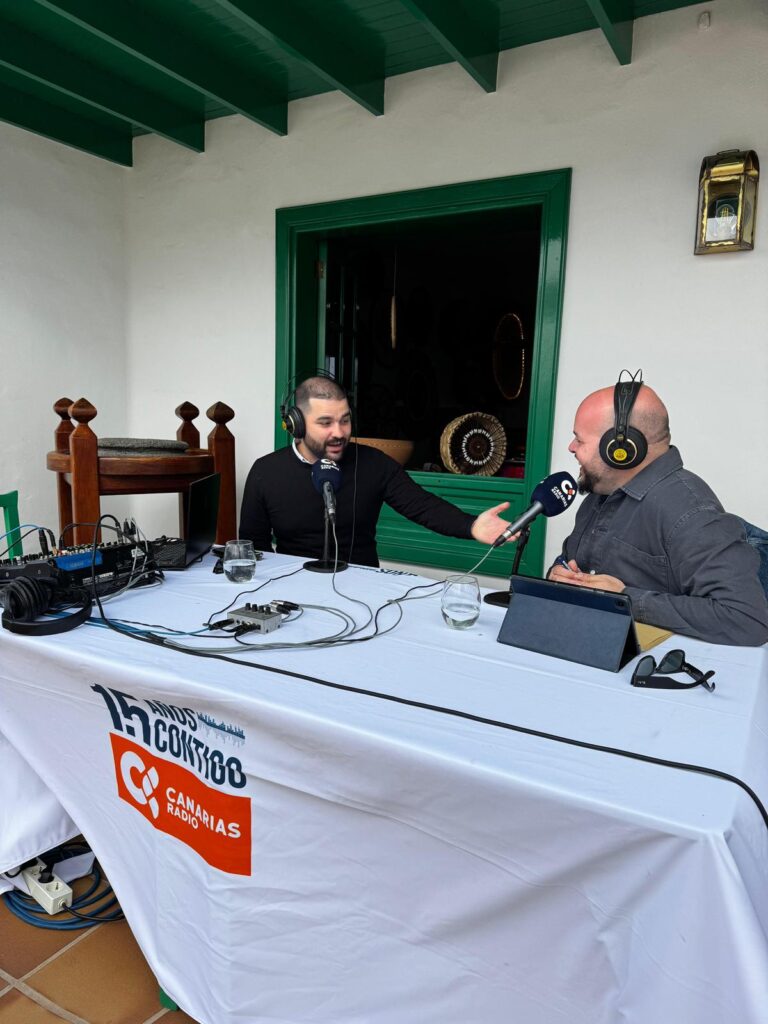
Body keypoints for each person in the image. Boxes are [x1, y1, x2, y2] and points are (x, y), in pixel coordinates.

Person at [548, 378, 768, 646]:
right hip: (591, 646)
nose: (571, 447)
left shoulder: (691, 511)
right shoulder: (598, 495)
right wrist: (560, 575)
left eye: (579, 439)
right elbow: (574, 563)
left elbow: (745, 619)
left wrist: (626, 599)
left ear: (620, 449)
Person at [239, 377, 513, 568]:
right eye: (325, 423)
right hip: (291, 588)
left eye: (345, 420)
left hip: (362, 586)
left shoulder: (374, 464)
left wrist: (471, 525)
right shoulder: (266, 472)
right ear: (296, 425)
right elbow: (254, 548)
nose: (339, 433)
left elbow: (422, 506)